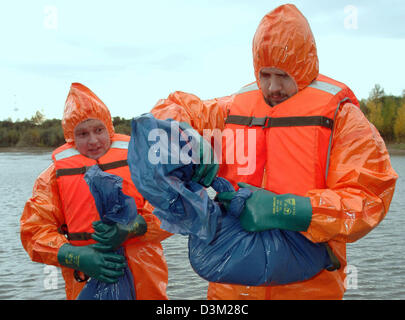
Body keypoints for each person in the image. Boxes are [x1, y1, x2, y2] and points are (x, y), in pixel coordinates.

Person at [150, 4, 398, 300]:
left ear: (304, 68)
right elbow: (168, 110)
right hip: (230, 290)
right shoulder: (231, 109)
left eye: (283, 75)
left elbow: (369, 197)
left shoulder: (343, 119)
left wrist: (286, 209)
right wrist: (184, 135)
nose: (273, 87)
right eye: (265, 74)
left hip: (309, 288)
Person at [20, 83, 171, 300]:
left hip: (146, 279)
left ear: (109, 128)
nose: (93, 141)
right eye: (82, 134)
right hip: (87, 281)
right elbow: (33, 233)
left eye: (98, 130)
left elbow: (174, 210)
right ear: (71, 138)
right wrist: (76, 256)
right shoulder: (51, 179)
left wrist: (135, 226)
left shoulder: (142, 164)